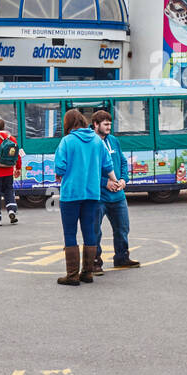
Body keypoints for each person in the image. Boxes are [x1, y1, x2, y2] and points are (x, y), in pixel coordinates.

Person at [53, 109, 117, 287]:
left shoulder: (66, 141)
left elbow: (60, 168)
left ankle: (72, 275)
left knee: (70, 233)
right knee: (90, 231)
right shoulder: (97, 140)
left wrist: (60, 174)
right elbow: (107, 164)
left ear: (68, 123)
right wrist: (114, 179)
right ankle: (88, 273)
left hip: (71, 194)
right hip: (92, 193)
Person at [92, 109, 139, 269]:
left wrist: (123, 179)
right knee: (95, 231)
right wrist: (105, 182)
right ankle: (95, 262)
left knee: (123, 228)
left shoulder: (113, 140)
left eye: (110, 124)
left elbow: (123, 162)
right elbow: (87, 169)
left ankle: (122, 258)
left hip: (118, 196)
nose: (108, 127)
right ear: (95, 124)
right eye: (105, 124)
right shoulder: (90, 142)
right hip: (98, 197)